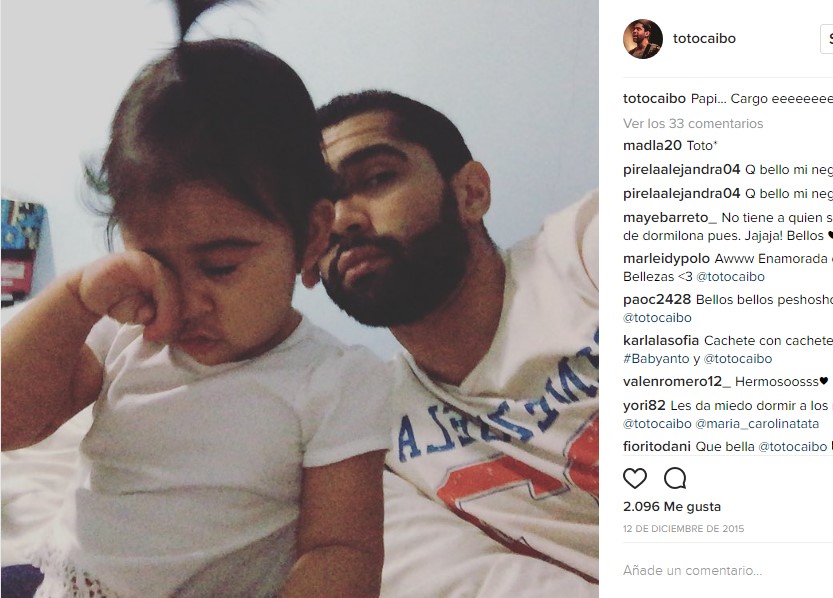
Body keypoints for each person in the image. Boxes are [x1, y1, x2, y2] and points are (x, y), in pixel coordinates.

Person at [0, 2, 389, 596]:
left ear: (311, 237)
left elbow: (341, 550)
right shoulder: (124, 335)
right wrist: (73, 300)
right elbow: (11, 422)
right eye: (153, 264)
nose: (180, 300)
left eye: (220, 266)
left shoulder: (336, 380)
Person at [315, 91, 599, 588]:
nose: (342, 221)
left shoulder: (583, 251)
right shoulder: (368, 433)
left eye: (376, 179)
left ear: (471, 193)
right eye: (315, 212)